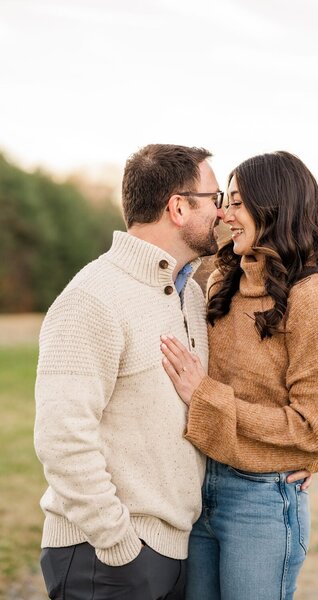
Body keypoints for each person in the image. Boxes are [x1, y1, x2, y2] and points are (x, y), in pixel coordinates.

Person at [34, 143, 225, 600]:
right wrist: (119, 544)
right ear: (178, 207)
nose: (222, 212)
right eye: (215, 199)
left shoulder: (191, 296)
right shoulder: (92, 298)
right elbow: (62, 439)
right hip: (106, 555)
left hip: (174, 551)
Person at [161, 151, 318, 600]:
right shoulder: (221, 283)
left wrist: (206, 396)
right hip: (201, 485)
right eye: (225, 200)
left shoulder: (313, 298)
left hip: (261, 501)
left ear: (275, 207)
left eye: (238, 203)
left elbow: (315, 421)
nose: (224, 213)